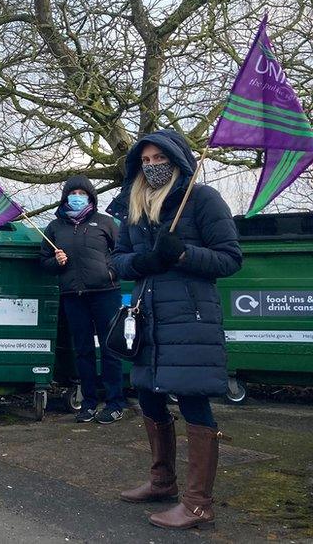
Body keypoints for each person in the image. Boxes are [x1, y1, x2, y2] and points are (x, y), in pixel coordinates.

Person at [109, 130, 242, 530]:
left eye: (158, 158)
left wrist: (183, 254)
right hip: (147, 318)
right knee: (148, 395)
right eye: (145, 160)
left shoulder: (202, 200)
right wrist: (146, 261)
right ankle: (162, 481)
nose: (151, 166)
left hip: (190, 320)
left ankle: (199, 503)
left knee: (192, 399)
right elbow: (118, 261)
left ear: (177, 159)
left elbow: (230, 258)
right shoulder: (134, 205)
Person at [40, 176, 126, 424]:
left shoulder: (106, 223)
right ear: (65, 197)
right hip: (73, 296)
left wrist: (109, 271)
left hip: (105, 294)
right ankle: (88, 403)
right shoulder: (55, 227)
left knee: (110, 349)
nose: (76, 196)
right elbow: (43, 261)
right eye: (72, 192)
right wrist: (55, 262)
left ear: (90, 197)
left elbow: (122, 253)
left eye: (82, 192)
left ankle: (114, 402)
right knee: (83, 351)